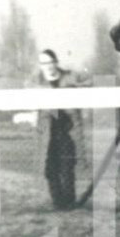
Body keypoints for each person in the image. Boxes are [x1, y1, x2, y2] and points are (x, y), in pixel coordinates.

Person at [36, 48, 84, 209]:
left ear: (56, 62)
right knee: (50, 167)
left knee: (67, 166)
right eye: (44, 63)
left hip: (66, 129)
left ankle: (69, 201)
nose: (48, 66)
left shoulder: (69, 78)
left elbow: (85, 86)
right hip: (47, 130)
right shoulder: (36, 82)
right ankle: (57, 201)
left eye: (50, 62)